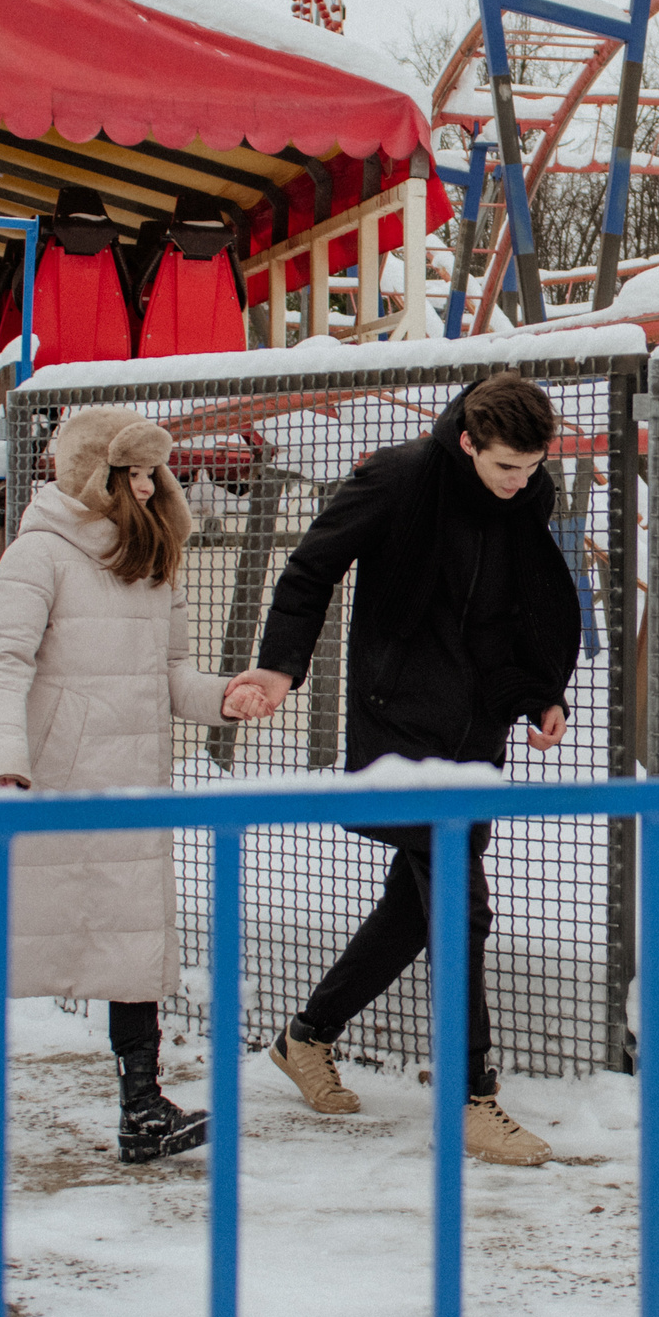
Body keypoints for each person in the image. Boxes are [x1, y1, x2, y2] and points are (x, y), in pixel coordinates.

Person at [0, 407, 261, 1163]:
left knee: (133, 942)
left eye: (156, 472)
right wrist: (4, 765)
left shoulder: (152, 558)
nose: (155, 485)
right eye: (138, 472)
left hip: (130, 786)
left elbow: (170, 675)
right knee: (11, 931)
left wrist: (224, 695)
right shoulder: (39, 554)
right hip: (47, 783)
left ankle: (142, 1108)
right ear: (98, 476)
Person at [226, 370, 580, 1167]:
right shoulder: (397, 480)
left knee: (417, 909)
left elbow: (511, 608)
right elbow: (310, 569)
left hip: (472, 729)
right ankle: (471, 1099)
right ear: (466, 441)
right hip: (399, 725)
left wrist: (535, 693)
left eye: (531, 469)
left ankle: (306, 1037)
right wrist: (280, 669)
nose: (520, 485)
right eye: (505, 469)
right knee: (461, 904)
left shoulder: (525, 494)